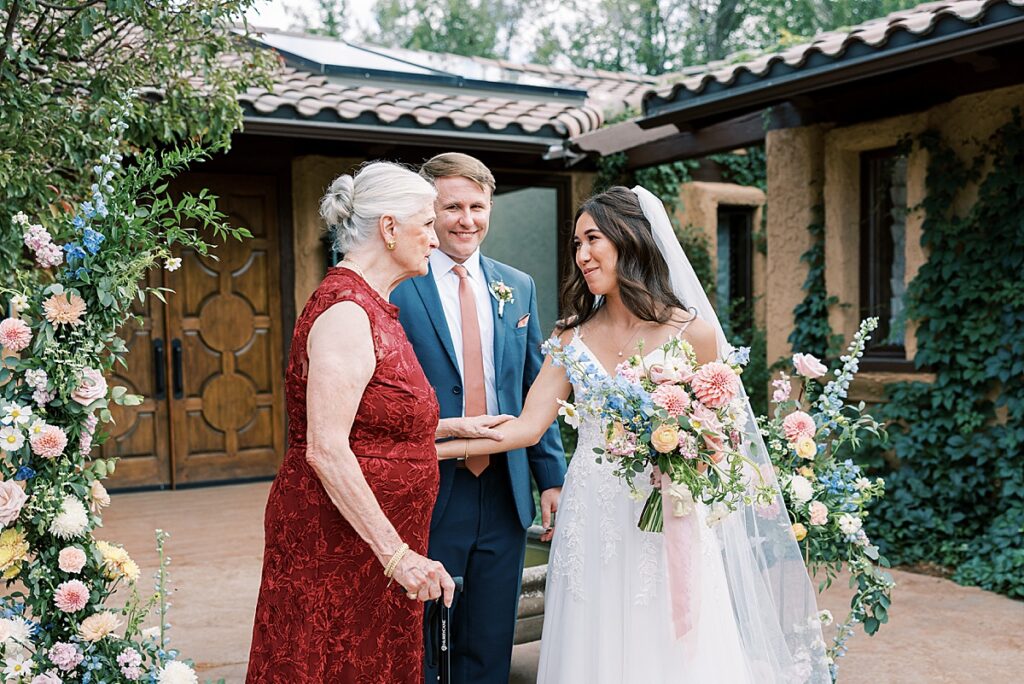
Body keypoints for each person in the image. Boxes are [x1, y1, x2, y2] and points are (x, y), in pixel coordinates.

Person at [438, 186, 831, 683]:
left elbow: (725, 436)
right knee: (592, 637)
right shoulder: (569, 337)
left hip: (670, 515)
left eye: (592, 240)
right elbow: (526, 426)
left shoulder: (695, 333)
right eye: (576, 244)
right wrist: (433, 445)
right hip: (592, 514)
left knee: (664, 643)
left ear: (630, 238)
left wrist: (687, 456)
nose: (581, 256)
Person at [246, 162, 511, 683]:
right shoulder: (347, 311)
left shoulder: (374, 304)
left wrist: (456, 427)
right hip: (341, 546)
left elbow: (370, 422)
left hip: (373, 547)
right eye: (427, 224)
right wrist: (398, 557)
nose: (436, 239)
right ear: (389, 228)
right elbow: (325, 447)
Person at [390, 152, 566, 684]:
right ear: (429, 211)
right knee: (422, 634)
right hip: (430, 483)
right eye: (452, 207)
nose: (467, 220)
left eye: (477, 206)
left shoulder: (518, 285)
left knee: (490, 640)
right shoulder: (400, 285)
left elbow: (537, 385)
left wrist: (551, 476)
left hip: (505, 488)